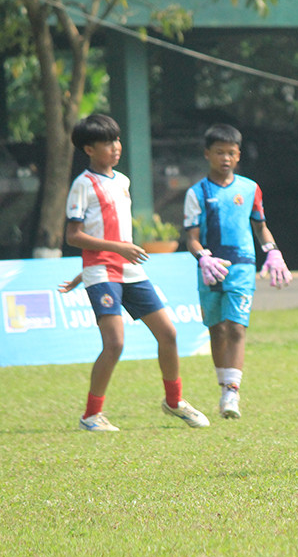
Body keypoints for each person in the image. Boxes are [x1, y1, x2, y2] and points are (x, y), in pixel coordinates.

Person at [65, 113, 210, 431]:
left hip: (128, 269)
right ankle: (91, 415)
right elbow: (72, 235)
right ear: (89, 149)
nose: (116, 147)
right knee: (115, 343)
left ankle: (174, 402)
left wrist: (111, 256)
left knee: (168, 334)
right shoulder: (83, 185)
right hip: (103, 270)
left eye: (117, 140)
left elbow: (110, 230)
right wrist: (96, 266)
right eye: (107, 142)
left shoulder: (122, 181)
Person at [183, 123, 292, 420]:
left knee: (236, 327)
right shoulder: (197, 193)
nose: (225, 158)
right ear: (207, 154)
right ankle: (224, 388)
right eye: (219, 152)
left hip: (242, 267)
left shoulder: (250, 188)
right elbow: (191, 236)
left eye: (231, 153)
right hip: (210, 269)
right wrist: (203, 257)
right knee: (216, 330)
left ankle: (233, 390)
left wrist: (273, 251)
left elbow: (260, 226)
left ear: (239, 155)